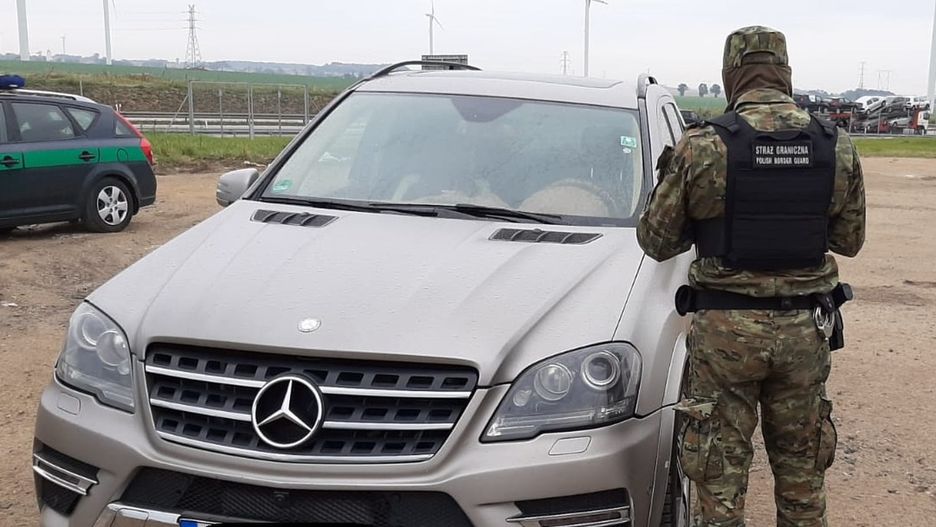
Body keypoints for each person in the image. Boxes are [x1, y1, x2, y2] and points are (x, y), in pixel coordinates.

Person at [637, 26, 866, 526]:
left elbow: (656, 242)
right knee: (802, 477)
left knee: (719, 480)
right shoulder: (835, 145)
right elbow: (849, 241)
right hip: (806, 332)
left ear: (730, 76)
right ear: (785, 72)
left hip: (726, 334)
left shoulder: (703, 145)